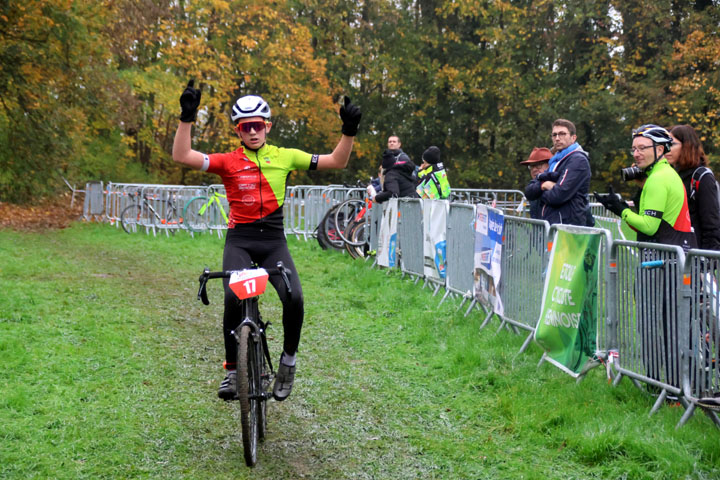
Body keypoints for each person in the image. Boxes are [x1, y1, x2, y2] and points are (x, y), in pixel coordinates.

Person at [172, 80, 361, 401]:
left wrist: (349, 132)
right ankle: (233, 370)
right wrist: (186, 119)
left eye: (258, 126)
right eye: (246, 127)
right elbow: (182, 156)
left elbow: (336, 162)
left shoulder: (285, 157)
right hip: (240, 242)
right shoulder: (228, 161)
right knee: (232, 298)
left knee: (295, 297)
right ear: (238, 131)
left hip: (273, 242)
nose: (253, 132)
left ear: (268, 126)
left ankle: (288, 362)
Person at [595, 124, 697, 252]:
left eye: (642, 148)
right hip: (674, 252)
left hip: (663, 259)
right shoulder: (667, 173)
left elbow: (649, 226)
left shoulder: (658, 178)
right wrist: (624, 207)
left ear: (660, 150)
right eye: (634, 149)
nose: (636, 154)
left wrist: (622, 211)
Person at [667, 125, 720, 251]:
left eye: (672, 144)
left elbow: (711, 223)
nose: (666, 149)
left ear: (687, 146)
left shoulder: (702, 176)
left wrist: (706, 261)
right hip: (676, 253)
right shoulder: (672, 175)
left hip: (696, 256)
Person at [534, 119, 593, 226]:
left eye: (562, 134)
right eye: (554, 135)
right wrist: (544, 186)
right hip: (552, 222)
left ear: (573, 137)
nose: (557, 138)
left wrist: (540, 192)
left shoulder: (577, 160)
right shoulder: (555, 160)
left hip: (569, 226)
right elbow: (529, 190)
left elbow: (558, 195)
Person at [520, 147, 552, 219]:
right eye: (531, 166)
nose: (534, 169)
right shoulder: (533, 186)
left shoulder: (559, 183)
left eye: (538, 165)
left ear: (550, 165)